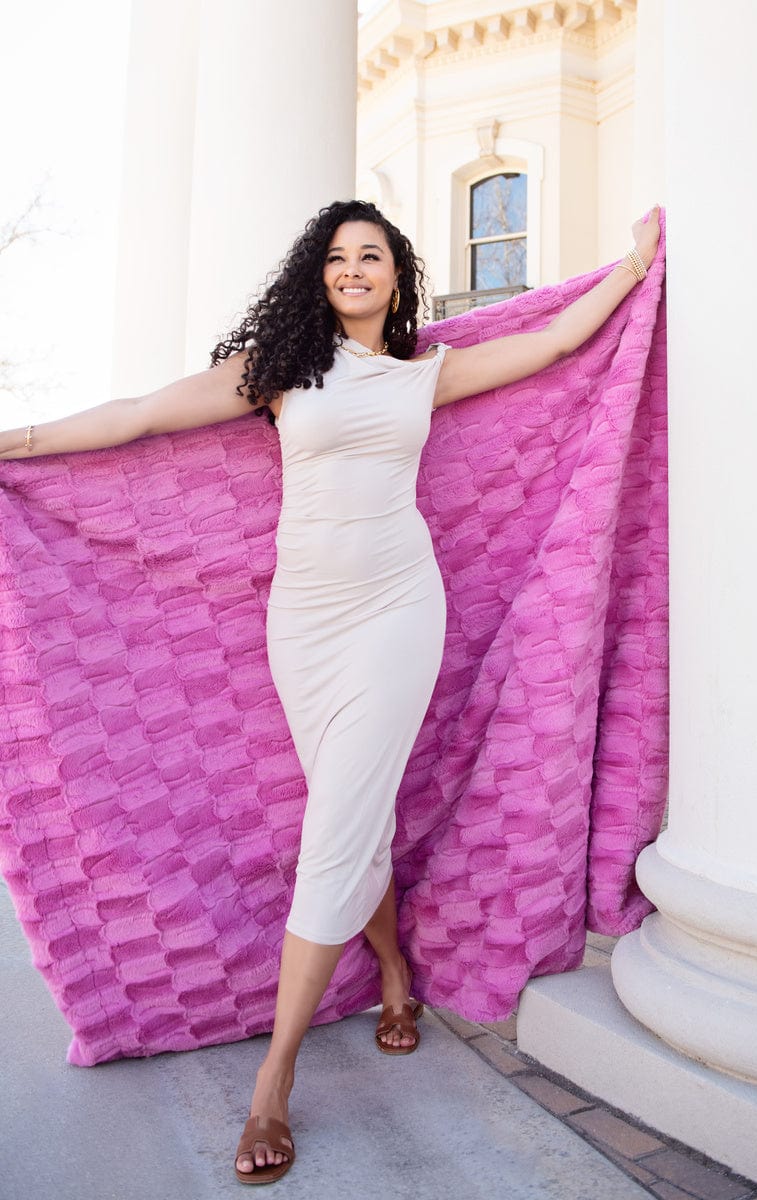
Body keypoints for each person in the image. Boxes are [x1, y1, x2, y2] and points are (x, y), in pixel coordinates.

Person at [0, 198, 662, 1185]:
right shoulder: (282, 372)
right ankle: (393, 969)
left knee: (337, 826)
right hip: (302, 625)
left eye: (372, 255)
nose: (354, 268)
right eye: (339, 255)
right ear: (319, 273)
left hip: (398, 612)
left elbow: (555, 342)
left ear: (397, 276)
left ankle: (273, 1080)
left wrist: (632, 269)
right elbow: (140, 413)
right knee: (353, 817)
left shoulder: (425, 373)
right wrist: (16, 441)